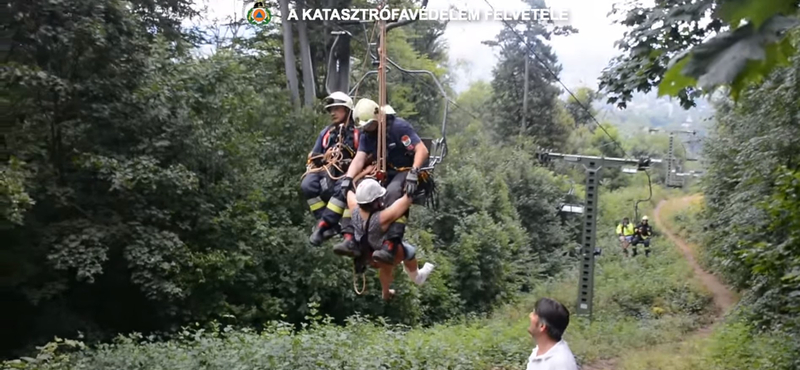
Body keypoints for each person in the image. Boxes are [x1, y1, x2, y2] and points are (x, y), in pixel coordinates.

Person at [333, 98, 429, 263]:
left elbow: (422, 149)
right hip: (385, 169)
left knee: (393, 193)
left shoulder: (398, 127)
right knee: (355, 188)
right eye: (363, 127)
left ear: (378, 119)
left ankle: (391, 243)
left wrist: (414, 172)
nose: (367, 129)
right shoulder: (366, 134)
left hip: (405, 169)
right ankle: (350, 238)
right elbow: (360, 157)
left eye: (369, 125)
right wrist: (348, 179)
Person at [346, 178, 435, 300]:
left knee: (385, 267)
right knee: (409, 251)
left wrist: (349, 180)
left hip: (366, 254)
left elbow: (348, 192)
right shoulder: (382, 218)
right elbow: (404, 202)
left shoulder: (354, 210)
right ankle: (418, 277)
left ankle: (386, 291)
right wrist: (410, 187)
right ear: (376, 201)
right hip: (384, 251)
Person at [302, 92, 360, 246]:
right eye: (330, 110)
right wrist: (325, 157)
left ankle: (323, 226)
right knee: (307, 185)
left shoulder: (357, 133)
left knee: (343, 187)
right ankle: (328, 224)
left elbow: (365, 155)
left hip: (350, 175)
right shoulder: (326, 133)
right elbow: (313, 156)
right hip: (327, 172)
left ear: (347, 110)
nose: (332, 113)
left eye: (337, 109)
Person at [526, 298, 579, 370]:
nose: (530, 315)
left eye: (534, 314)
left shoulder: (561, 363)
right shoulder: (540, 350)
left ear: (542, 326)